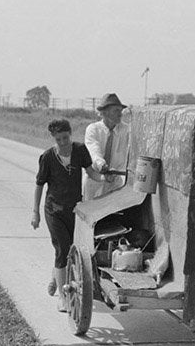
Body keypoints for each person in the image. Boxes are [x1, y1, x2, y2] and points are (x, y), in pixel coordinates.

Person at [32, 119, 99, 312]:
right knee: (62, 247)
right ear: (53, 138)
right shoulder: (47, 157)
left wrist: (104, 177)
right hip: (53, 210)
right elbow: (39, 185)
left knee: (70, 248)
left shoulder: (79, 150)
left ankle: (56, 274)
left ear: (71, 134)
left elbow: (90, 172)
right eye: (58, 139)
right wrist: (35, 212)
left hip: (74, 209)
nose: (63, 142)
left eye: (66, 137)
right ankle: (63, 297)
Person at [84, 92, 131, 199]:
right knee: (92, 212)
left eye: (121, 111)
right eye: (116, 111)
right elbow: (93, 151)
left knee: (114, 214)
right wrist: (102, 165)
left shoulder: (126, 130)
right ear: (105, 112)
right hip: (95, 179)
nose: (120, 114)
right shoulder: (93, 129)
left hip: (115, 181)